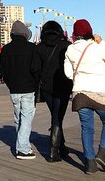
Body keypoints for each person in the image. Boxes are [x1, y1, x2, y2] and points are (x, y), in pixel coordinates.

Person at [64, 19, 105, 174]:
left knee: (87, 128)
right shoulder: (96, 46)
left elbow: (68, 73)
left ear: (75, 33)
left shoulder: (70, 49)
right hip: (99, 92)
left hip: (80, 93)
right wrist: (102, 42)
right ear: (89, 31)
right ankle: (102, 154)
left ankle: (90, 163)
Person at [0, 21, 40, 160]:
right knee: (26, 118)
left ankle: (23, 143)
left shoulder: (6, 49)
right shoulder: (31, 48)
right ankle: (22, 149)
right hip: (28, 89)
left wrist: (10, 84)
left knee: (18, 118)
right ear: (25, 33)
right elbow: (36, 69)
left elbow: (2, 71)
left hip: (14, 90)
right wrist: (35, 84)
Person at [33, 20, 73, 162]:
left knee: (56, 116)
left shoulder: (39, 48)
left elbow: (35, 69)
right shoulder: (67, 46)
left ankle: (61, 147)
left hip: (47, 88)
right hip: (63, 86)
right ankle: (53, 151)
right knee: (58, 117)